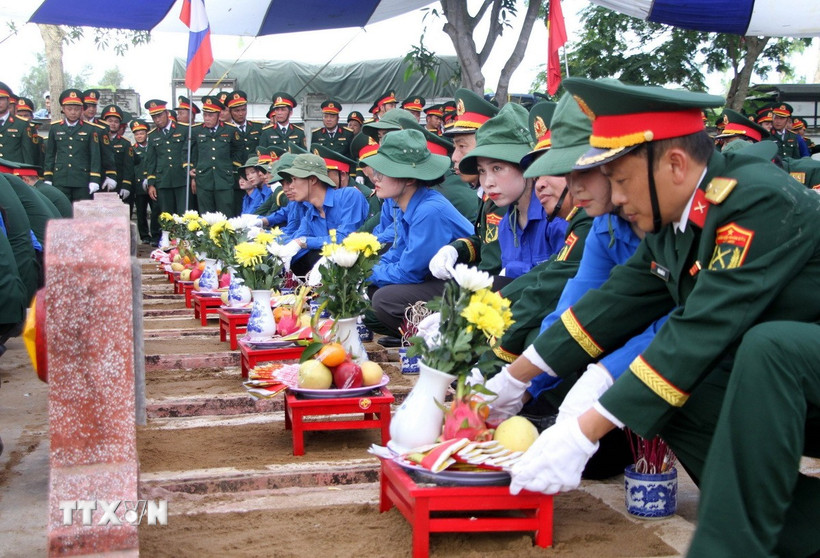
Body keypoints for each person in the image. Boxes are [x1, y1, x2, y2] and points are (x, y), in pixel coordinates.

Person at [503, 77, 820, 558]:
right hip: (786, 389)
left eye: (621, 180)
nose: (617, 197)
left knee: (767, 348)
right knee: (671, 396)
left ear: (674, 163)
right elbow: (611, 305)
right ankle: (801, 533)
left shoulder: (754, 197)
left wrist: (584, 429)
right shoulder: (672, 224)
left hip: (796, 370)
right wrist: (511, 381)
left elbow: (703, 326)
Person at [363, 129, 474, 337]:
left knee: (383, 300)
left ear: (410, 179)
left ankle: (432, 339)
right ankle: (415, 336)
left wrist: (364, 273)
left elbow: (408, 272)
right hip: (436, 281)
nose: (375, 179)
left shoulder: (428, 210)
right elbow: (398, 252)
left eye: (384, 172)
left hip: (463, 288)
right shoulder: (407, 204)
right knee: (374, 297)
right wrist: (364, 268)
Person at [456, 102, 567, 284]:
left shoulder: (556, 218)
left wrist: (514, 271)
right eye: (482, 171)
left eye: (498, 168)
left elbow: (561, 282)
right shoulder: (507, 225)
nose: (488, 182)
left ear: (527, 167)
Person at [276, 153, 369, 275]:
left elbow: (346, 238)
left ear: (313, 179)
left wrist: (303, 242)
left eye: (294, 179)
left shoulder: (349, 196)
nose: (290, 186)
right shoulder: (310, 214)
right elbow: (294, 243)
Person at [43, 89, 102, 202]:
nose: (73, 112)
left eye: (76, 109)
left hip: (82, 179)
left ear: (81, 110)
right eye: (69, 109)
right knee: (62, 213)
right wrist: (48, 177)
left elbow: (95, 156)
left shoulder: (90, 129)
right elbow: (50, 154)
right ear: (63, 109)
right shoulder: (55, 128)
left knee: (81, 214)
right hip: (60, 178)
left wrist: (94, 179)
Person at [190, 96, 244, 216]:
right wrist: (192, 168)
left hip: (224, 179)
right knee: (206, 215)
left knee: (226, 214)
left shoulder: (230, 130)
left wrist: (233, 167)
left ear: (218, 115)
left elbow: (238, 149)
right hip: (204, 179)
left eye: (211, 115)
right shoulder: (196, 131)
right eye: (205, 115)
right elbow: (190, 152)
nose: (207, 118)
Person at [143, 99, 191, 215]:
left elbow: (189, 153)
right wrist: (151, 184)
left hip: (182, 179)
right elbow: (151, 161)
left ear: (167, 113)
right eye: (154, 117)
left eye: (159, 116)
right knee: (167, 215)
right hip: (163, 181)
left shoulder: (183, 129)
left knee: (184, 215)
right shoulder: (153, 135)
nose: (157, 120)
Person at [99, 104, 135, 204]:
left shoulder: (125, 143)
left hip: (118, 185)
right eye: (110, 121)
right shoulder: (97, 138)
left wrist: (126, 185)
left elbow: (129, 167)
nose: (113, 124)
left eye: (116, 122)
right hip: (101, 183)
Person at [130, 118, 158, 244]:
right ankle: (144, 236)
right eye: (136, 134)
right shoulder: (132, 149)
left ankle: (156, 234)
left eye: (141, 133)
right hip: (138, 185)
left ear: (147, 133)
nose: (139, 136)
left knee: (155, 210)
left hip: (152, 184)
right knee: (141, 212)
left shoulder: (153, 146)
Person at [0, 82, 38, 165]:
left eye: (1, 99)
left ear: (8, 100)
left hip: (13, 174)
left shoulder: (21, 124)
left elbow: (27, 154)